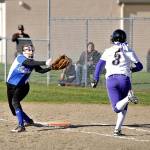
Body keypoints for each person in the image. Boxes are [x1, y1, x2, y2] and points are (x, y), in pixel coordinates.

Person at [91, 29, 143, 136]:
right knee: (123, 106)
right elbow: (140, 66)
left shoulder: (108, 50)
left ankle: (117, 130)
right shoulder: (128, 50)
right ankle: (117, 129)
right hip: (124, 79)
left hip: (111, 80)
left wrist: (95, 79)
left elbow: (99, 66)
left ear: (114, 38)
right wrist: (131, 69)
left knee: (116, 108)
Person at [6, 44, 52, 132]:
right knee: (13, 110)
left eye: (31, 49)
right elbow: (28, 63)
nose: (30, 51)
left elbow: (40, 70)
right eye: (27, 49)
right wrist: (45, 62)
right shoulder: (20, 58)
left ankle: (21, 126)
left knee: (15, 102)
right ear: (23, 52)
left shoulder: (32, 62)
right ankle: (29, 121)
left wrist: (51, 68)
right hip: (11, 86)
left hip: (23, 87)